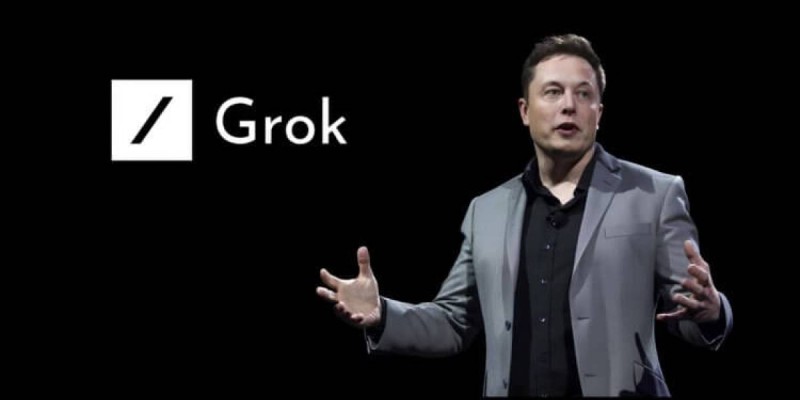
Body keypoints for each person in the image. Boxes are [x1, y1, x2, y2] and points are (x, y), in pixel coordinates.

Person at [316, 33, 733, 397]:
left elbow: (688, 314)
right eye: (553, 92)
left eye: (583, 94)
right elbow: (454, 323)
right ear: (524, 111)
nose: (568, 106)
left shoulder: (654, 194)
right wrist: (382, 314)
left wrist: (712, 311)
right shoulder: (486, 210)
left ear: (599, 113)